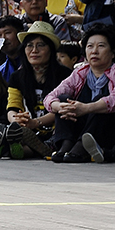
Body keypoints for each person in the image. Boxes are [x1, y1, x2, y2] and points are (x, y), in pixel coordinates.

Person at [0, 21, 70, 160]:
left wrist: (36, 122)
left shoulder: (65, 75)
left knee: (20, 140)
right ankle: (2, 145)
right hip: (27, 129)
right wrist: (16, 120)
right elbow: (12, 106)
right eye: (29, 45)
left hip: (54, 130)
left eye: (40, 45)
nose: (34, 50)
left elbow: (65, 109)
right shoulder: (17, 76)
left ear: (51, 49)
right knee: (7, 128)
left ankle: (5, 148)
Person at [46, 26, 115, 163]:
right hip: (82, 128)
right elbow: (50, 97)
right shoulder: (80, 73)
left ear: (113, 53)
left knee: (100, 101)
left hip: (108, 129)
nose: (94, 51)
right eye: (90, 46)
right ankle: (66, 145)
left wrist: (87, 108)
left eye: (101, 46)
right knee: (63, 99)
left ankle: (81, 149)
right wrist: (60, 107)